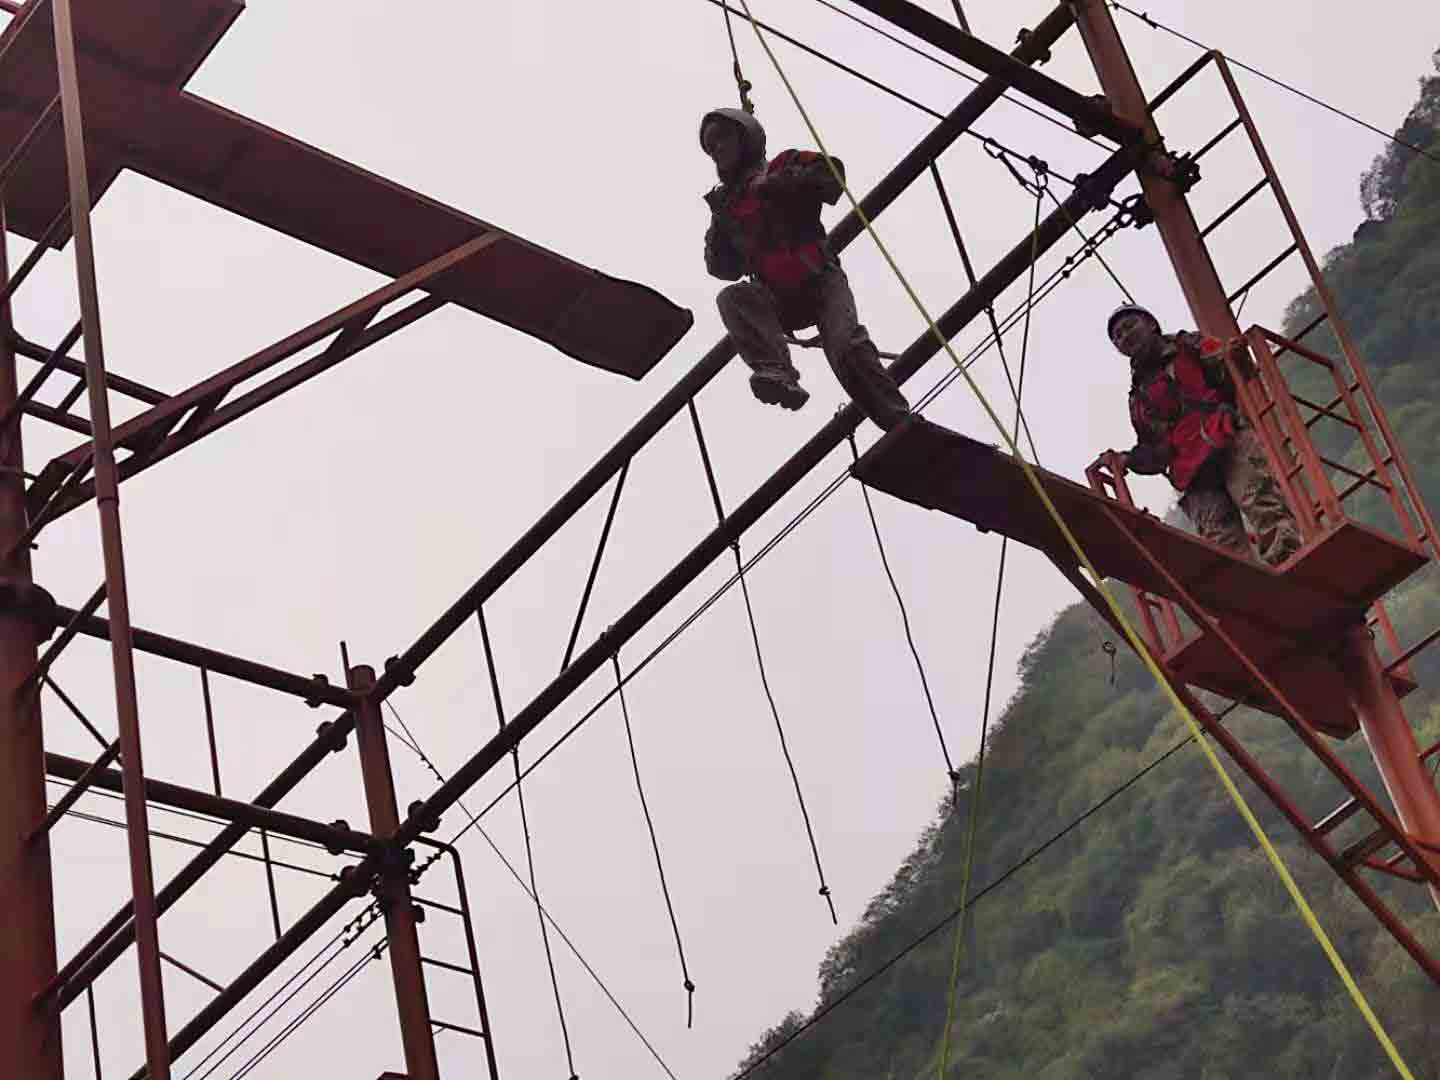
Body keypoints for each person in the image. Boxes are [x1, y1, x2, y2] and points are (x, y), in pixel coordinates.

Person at [699, 107, 910, 430]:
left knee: (847, 349)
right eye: (710, 146)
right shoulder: (731, 206)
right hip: (778, 298)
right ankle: (777, 371)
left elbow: (832, 177)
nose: (717, 149)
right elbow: (721, 269)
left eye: (721, 138)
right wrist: (720, 222)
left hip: (820, 281)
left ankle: (898, 421)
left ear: (745, 137)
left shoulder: (784, 163)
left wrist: (775, 183)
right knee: (732, 298)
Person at [1106, 303, 1303, 566]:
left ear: (1151, 324)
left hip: (1226, 439)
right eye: (1118, 336)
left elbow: (1229, 365)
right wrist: (1128, 459)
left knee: (1260, 505)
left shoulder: (1188, 346)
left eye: (1129, 326)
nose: (1125, 337)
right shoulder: (1138, 399)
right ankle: (1251, 588)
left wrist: (1232, 356)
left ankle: (1293, 563)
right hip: (1193, 473)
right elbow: (1154, 450)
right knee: (1223, 546)